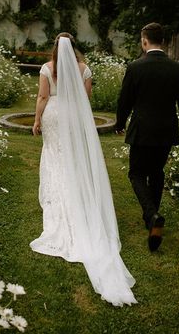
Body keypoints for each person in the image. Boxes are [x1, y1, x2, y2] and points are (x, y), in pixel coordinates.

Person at [30, 32, 137, 307]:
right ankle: (77, 193)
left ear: (55, 47)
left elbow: (43, 96)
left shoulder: (47, 69)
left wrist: (37, 120)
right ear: (73, 47)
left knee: (54, 155)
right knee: (73, 159)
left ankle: (59, 201)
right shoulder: (84, 68)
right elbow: (86, 98)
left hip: (54, 114)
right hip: (73, 115)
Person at [115, 22, 179, 252]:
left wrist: (120, 123)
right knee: (156, 172)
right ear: (164, 41)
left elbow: (125, 100)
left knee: (136, 173)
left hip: (142, 130)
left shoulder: (135, 67)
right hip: (165, 131)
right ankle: (152, 220)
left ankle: (152, 216)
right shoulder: (177, 69)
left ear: (144, 41)